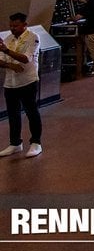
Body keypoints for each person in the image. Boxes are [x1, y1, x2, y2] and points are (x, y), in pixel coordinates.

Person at [0, 13, 42, 158]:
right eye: (11, 26)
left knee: (31, 112)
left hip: (27, 81)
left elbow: (26, 59)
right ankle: (15, 143)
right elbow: (1, 60)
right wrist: (10, 65)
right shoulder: (8, 39)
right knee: (13, 114)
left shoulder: (33, 37)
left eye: (16, 26)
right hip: (10, 83)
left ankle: (36, 142)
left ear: (25, 25)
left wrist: (6, 51)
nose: (12, 29)